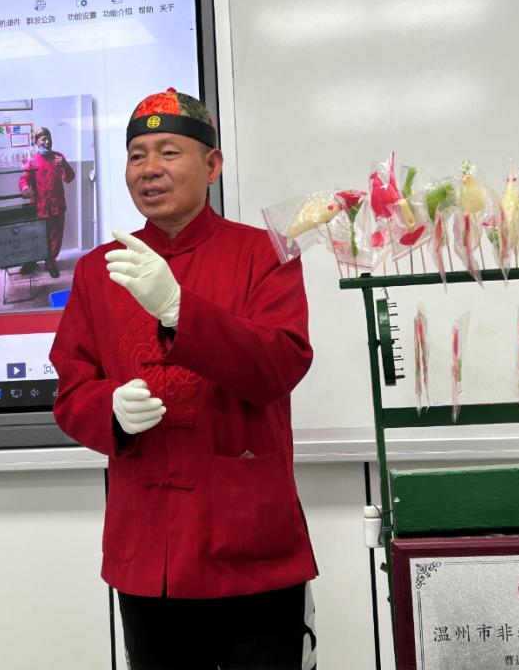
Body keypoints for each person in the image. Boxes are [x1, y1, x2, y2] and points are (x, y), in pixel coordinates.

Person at [50, 89, 317, 670]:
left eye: (169, 152)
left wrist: (178, 309)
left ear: (212, 165)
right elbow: (70, 391)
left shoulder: (264, 253)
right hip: (148, 548)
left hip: (249, 543)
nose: (149, 169)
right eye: (137, 155)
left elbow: (279, 366)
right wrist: (108, 409)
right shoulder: (98, 270)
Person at [18, 126, 75, 278]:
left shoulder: (58, 158)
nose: (47, 142)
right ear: (37, 142)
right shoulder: (32, 161)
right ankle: (32, 261)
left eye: (49, 139)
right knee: (36, 236)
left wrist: (65, 165)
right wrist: (25, 187)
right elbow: (24, 179)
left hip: (57, 205)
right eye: (43, 139)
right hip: (39, 206)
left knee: (55, 237)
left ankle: (50, 263)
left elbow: (69, 178)